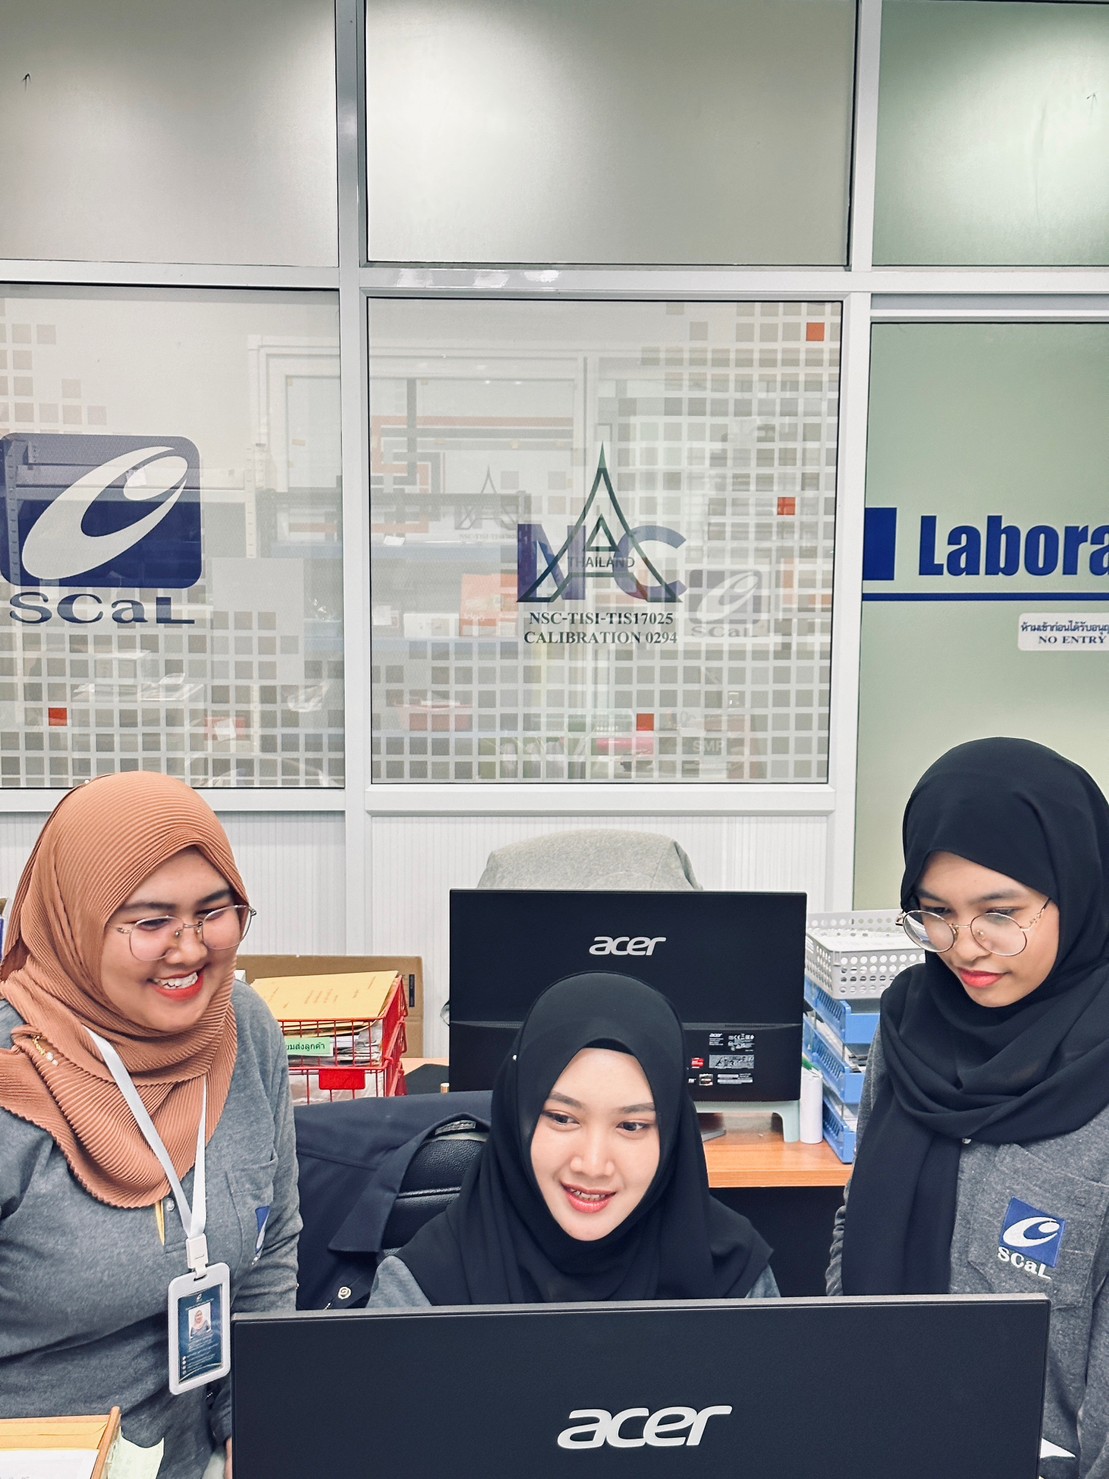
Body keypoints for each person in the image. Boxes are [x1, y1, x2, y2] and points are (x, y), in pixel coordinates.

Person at [0, 771, 301, 1479]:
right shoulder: (13, 1071)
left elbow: (271, 1254)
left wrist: (257, 1426)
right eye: (149, 921)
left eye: (214, 911)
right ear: (75, 921)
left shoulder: (241, 1027)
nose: (190, 949)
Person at [827, 737, 1109, 1478]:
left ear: (1078, 887)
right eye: (936, 912)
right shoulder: (910, 1021)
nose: (964, 947)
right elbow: (857, 1212)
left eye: (999, 912)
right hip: (870, 1435)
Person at [369, 971, 777, 1307]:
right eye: (562, 1118)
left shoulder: (732, 1278)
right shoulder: (427, 1287)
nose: (593, 1164)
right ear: (515, 1116)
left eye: (632, 1126)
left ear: (673, 1134)